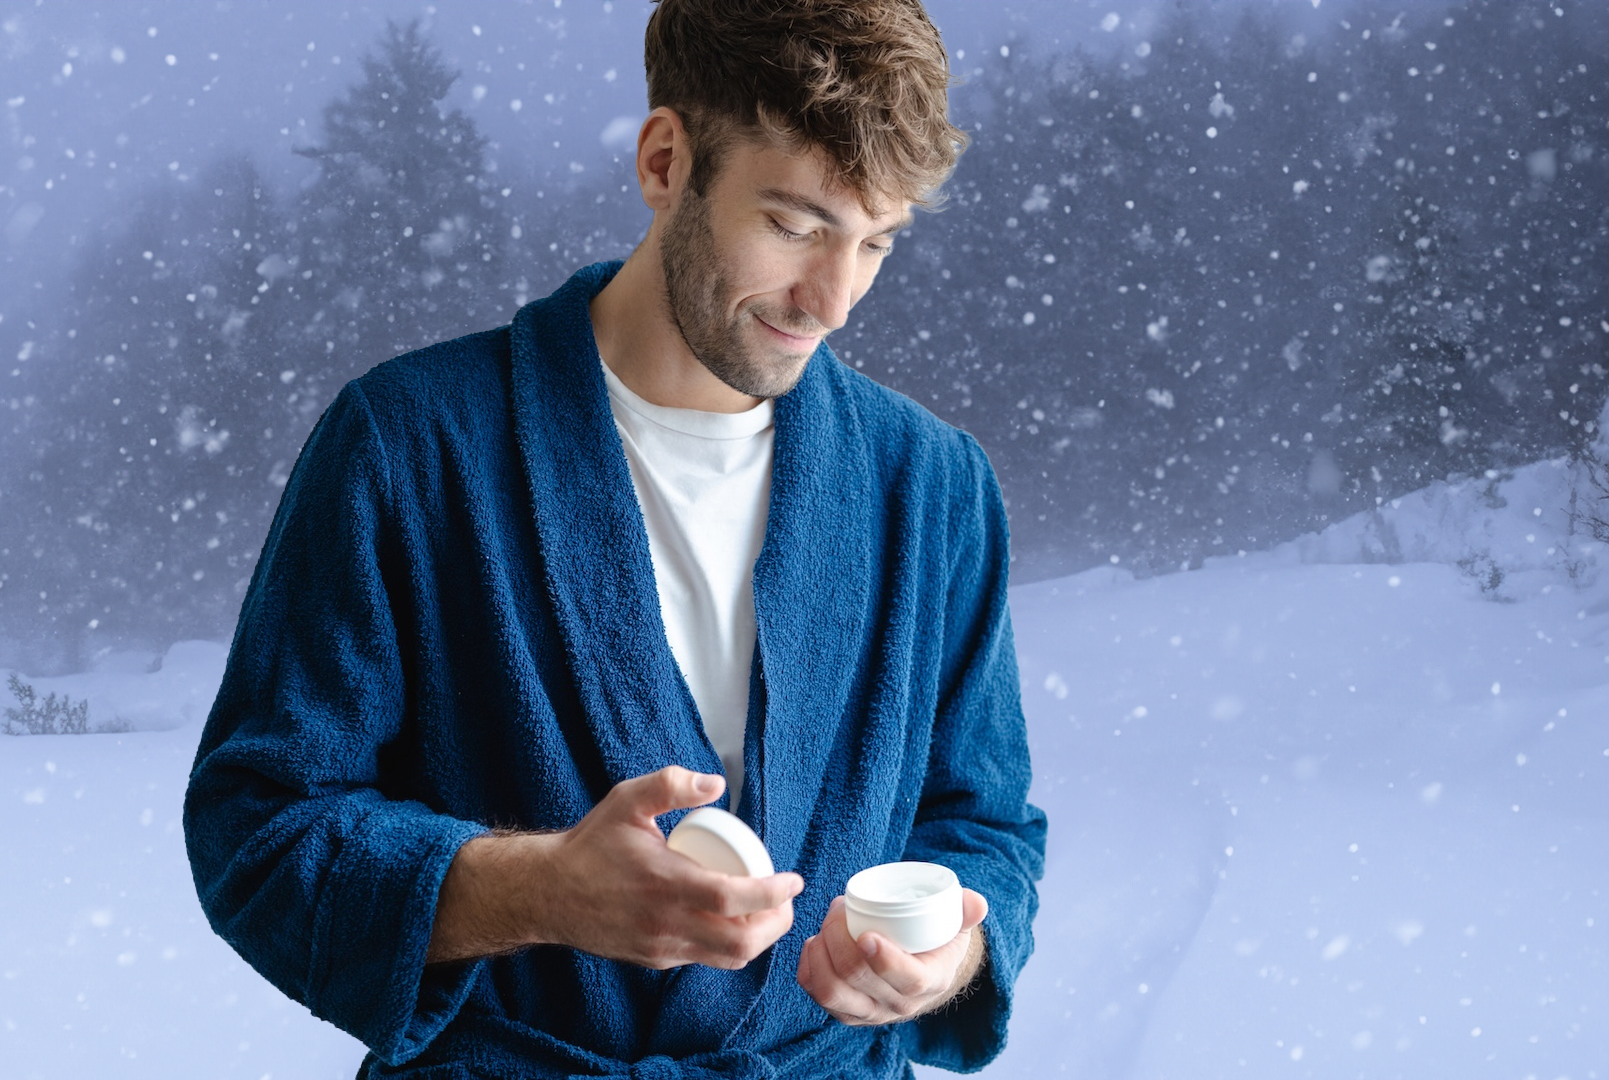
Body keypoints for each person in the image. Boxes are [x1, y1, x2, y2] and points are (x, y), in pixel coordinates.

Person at [182, 1, 1046, 1076]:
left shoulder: (935, 486)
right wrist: (535, 890)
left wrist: (949, 956)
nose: (833, 300)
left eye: (876, 241)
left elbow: (984, 825)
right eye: (794, 225)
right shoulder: (405, 445)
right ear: (666, 161)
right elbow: (258, 830)